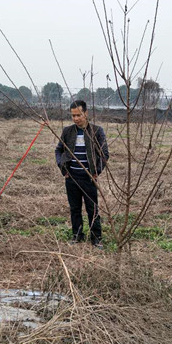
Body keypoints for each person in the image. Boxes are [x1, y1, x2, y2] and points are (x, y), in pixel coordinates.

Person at [55, 100, 109, 248]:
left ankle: (96, 238)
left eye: (78, 115)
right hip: (71, 178)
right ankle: (77, 235)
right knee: (75, 209)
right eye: (73, 115)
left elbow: (104, 154)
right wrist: (63, 168)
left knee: (93, 209)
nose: (76, 118)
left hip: (89, 179)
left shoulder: (97, 131)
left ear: (86, 113)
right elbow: (58, 150)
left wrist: (96, 171)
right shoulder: (67, 131)